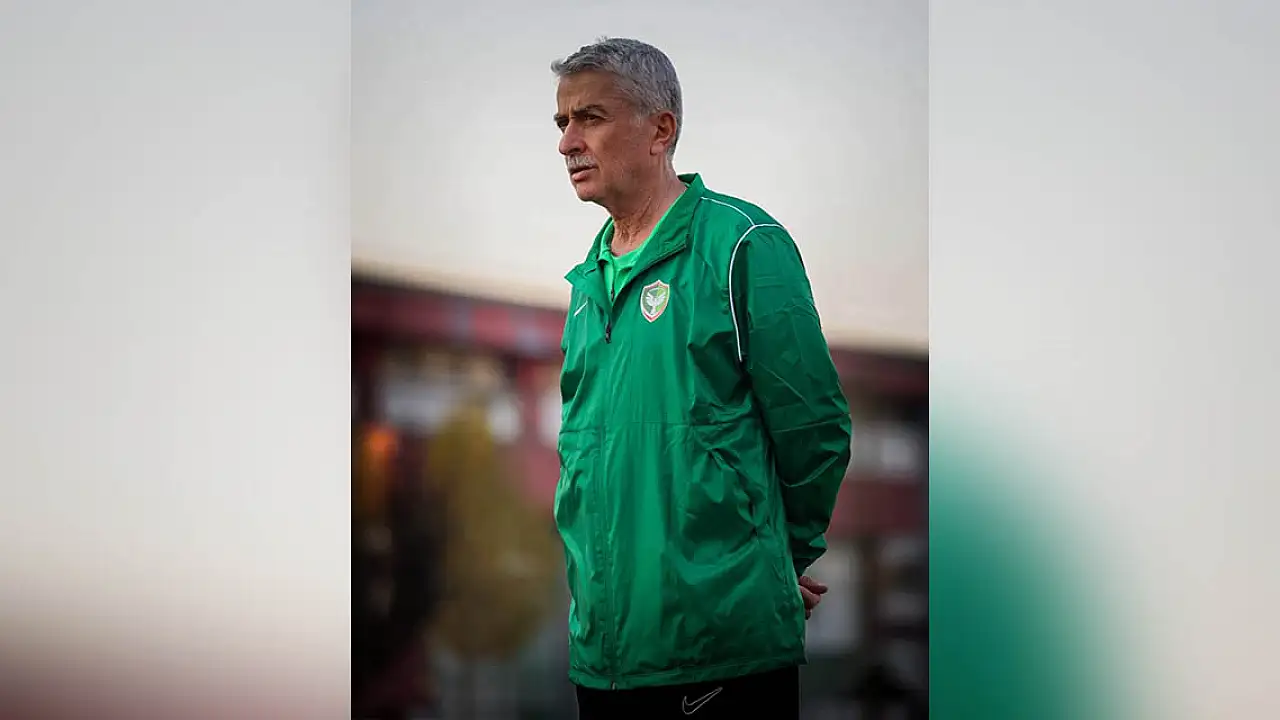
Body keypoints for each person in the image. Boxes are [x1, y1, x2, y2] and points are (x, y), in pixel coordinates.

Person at [550, 37, 853, 720]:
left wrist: (776, 563)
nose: (567, 142)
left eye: (590, 117)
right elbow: (584, 461)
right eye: (562, 122)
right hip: (603, 658)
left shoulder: (743, 243)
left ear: (661, 130)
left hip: (719, 653)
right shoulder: (587, 284)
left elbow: (815, 427)